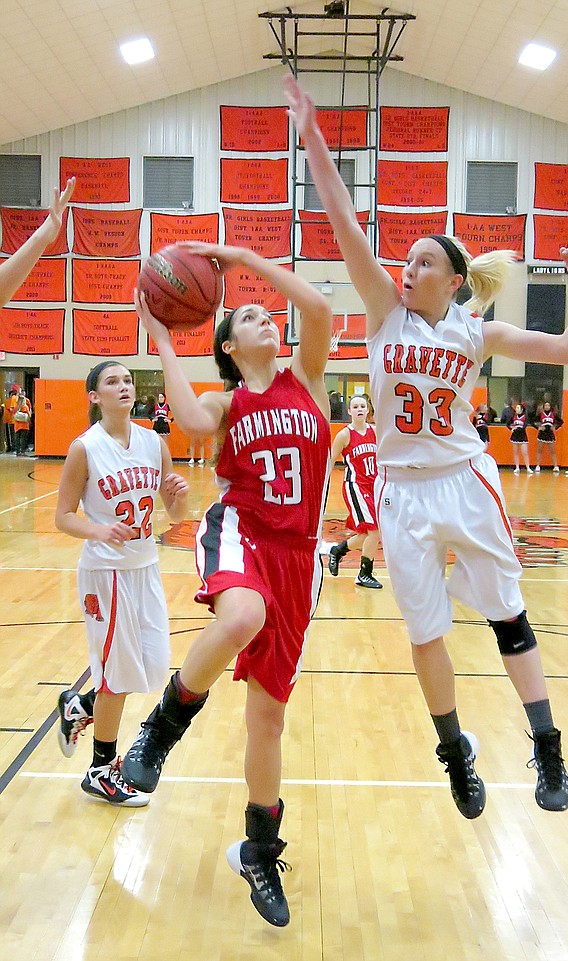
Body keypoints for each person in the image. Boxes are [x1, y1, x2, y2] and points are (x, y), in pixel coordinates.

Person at [285, 72, 568, 820]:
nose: (408, 268)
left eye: (424, 262)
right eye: (407, 262)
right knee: (426, 631)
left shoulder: (477, 330)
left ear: (455, 279)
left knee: (507, 616)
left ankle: (547, 740)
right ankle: (455, 752)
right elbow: (340, 216)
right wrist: (310, 135)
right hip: (402, 494)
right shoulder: (382, 314)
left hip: (466, 479)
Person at [120, 241, 333, 928]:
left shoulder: (309, 377)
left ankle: (260, 849)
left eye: (269, 313)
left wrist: (243, 256)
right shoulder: (228, 397)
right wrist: (160, 339)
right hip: (241, 530)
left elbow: (320, 305)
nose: (266, 317)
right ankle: (163, 724)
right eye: (248, 316)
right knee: (240, 617)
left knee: (268, 717)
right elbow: (188, 419)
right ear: (229, 344)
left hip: (299, 558)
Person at [54, 360, 189, 805]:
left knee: (143, 668)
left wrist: (178, 497)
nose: (124, 386)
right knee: (116, 675)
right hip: (105, 571)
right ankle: (99, 771)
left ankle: (81, 707)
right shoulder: (84, 448)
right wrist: (99, 530)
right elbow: (64, 517)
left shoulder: (153, 442)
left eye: (128, 380)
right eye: (112, 381)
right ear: (94, 396)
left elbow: (176, 518)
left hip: (145, 567)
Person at [329, 393, 383, 589]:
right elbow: (331, 460)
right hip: (355, 486)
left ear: (368, 409)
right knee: (374, 530)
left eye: (363, 406)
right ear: (350, 411)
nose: (359, 409)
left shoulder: (376, 432)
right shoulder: (344, 435)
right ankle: (364, 573)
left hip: (373, 485)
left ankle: (337, 551)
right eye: (356, 406)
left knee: (366, 534)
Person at [534, 402, 562, 472]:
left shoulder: (553, 414)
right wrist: (538, 427)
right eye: (545, 405)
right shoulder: (540, 414)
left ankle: (555, 466)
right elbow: (532, 421)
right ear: (543, 407)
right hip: (542, 434)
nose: (547, 407)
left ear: (550, 407)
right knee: (539, 450)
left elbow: (561, 422)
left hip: (550, 434)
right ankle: (537, 466)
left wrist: (555, 427)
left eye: (548, 405)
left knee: (552, 451)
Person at [508, 403, 533, 474]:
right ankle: (517, 467)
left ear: (522, 410)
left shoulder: (525, 417)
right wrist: (511, 429)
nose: (516, 409)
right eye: (516, 408)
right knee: (515, 452)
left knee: (525, 452)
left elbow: (524, 427)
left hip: (522, 435)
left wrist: (517, 428)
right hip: (515, 436)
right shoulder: (513, 416)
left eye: (518, 408)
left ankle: (528, 467)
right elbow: (507, 423)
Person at [13, 388, 32, 456]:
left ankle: (18, 451)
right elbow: (29, 415)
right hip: (24, 425)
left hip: (17, 425)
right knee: (23, 439)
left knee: (17, 438)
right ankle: (23, 451)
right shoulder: (25, 407)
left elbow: (13, 414)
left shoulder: (16, 407)